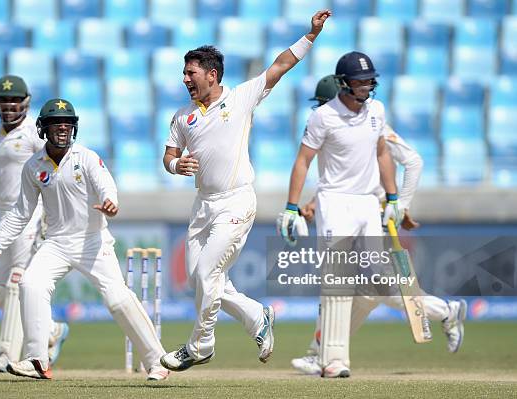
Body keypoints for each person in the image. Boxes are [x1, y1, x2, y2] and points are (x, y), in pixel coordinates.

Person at [159, 10, 332, 372]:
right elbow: (169, 156)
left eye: (191, 73)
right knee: (202, 281)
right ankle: (257, 316)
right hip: (203, 206)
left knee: (207, 274)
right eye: (184, 73)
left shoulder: (240, 98)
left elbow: (280, 65)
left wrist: (311, 34)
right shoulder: (181, 116)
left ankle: (200, 345)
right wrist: (177, 166)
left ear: (212, 74)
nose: (185, 79)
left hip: (236, 201)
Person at [0, 98, 169, 381]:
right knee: (30, 283)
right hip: (56, 242)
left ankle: (156, 362)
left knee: (117, 299)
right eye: (56, 124)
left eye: (67, 124)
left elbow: (106, 185)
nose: (63, 129)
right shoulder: (33, 166)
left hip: (93, 241)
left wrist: (110, 202)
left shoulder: (86, 157)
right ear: (43, 129)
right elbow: (21, 212)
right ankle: (37, 360)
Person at [287, 75, 468, 376]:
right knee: (361, 288)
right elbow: (340, 178)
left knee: (365, 287)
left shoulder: (372, 120)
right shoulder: (331, 123)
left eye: (322, 103)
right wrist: (312, 205)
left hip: (372, 213)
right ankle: (322, 351)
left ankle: (322, 352)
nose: (320, 110)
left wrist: (400, 205)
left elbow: (413, 161)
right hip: (350, 210)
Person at [278, 51, 402, 378]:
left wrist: (393, 197)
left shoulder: (376, 110)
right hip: (334, 200)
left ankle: (326, 349)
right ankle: (332, 359)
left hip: (366, 203)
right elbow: (303, 161)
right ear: (344, 83)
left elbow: (382, 152)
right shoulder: (323, 116)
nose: (367, 86)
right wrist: (292, 207)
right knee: (337, 279)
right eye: (360, 81)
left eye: (369, 80)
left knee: (378, 279)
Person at [0, 75, 68, 373]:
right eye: (3, 101)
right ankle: (52, 331)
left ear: (25, 102)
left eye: (13, 100)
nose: (8, 106)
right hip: (2, 217)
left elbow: (51, 170)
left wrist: (47, 211)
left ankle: (6, 354)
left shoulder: (34, 131)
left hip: (29, 216)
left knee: (16, 282)